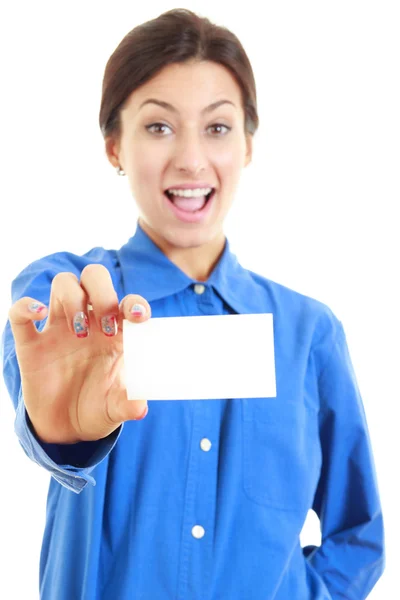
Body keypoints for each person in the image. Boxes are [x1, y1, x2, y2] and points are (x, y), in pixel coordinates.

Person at [1, 8, 385, 600]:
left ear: (249, 146)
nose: (190, 160)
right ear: (113, 146)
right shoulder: (68, 296)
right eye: (158, 127)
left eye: (218, 127)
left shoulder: (310, 333)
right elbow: (39, 398)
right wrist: (63, 438)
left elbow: (359, 534)